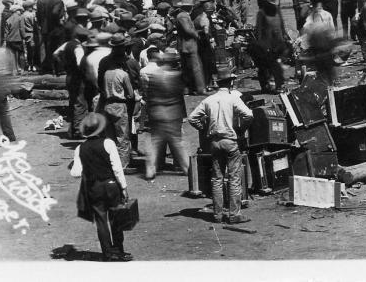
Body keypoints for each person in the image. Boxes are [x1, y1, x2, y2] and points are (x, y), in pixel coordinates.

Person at [187, 67, 253, 224]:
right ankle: (234, 214)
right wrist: (241, 128)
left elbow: (192, 118)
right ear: (230, 82)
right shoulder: (233, 99)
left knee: (217, 179)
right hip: (230, 141)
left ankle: (217, 215)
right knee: (234, 178)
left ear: (218, 84)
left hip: (215, 143)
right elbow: (249, 115)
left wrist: (203, 128)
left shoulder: (208, 100)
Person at [70, 113, 132, 261]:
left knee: (101, 221)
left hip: (93, 188)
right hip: (111, 185)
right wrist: (124, 187)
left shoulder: (80, 148)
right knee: (115, 219)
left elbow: (76, 173)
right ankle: (119, 250)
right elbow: (117, 168)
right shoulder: (108, 143)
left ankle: (108, 253)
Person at [141, 48, 190, 180]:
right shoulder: (176, 76)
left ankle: (150, 170)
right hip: (173, 113)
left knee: (155, 143)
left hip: (157, 112)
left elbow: (149, 96)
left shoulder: (155, 76)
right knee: (177, 142)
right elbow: (180, 96)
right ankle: (187, 168)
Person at [97, 33, 140, 171]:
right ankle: (123, 164)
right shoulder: (129, 64)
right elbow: (135, 86)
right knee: (124, 134)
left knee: (110, 135)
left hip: (107, 102)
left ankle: (111, 162)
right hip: (124, 103)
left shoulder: (104, 63)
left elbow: (99, 83)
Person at [251, 0, 290, 93]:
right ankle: (265, 86)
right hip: (266, 43)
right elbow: (258, 30)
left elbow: (282, 25)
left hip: (278, 42)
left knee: (277, 64)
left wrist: (285, 36)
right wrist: (261, 45)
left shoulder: (277, 11)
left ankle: (279, 85)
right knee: (264, 66)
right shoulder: (262, 13)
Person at [173, 0, 206, 95]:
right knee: (196, 67)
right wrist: (197, 35)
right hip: (189, 45)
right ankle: (201, 89)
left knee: (186, 68)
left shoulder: (182, 15)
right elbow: (187, 29)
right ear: (189, 7)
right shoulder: (183, 16)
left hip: (184, 45)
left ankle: (188, 89)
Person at [4, 3, 27, 75]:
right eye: (19, 10)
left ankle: (14, 71)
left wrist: (5, 40)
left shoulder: (8, 19)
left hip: (10, 40)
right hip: (18, 39)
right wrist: (25, 37)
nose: (20, 11)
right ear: (16, 11)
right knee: (21, 54)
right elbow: (22, 29)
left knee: (13, 55)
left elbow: (6, 32)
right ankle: (22, 70)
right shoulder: (20, 18)